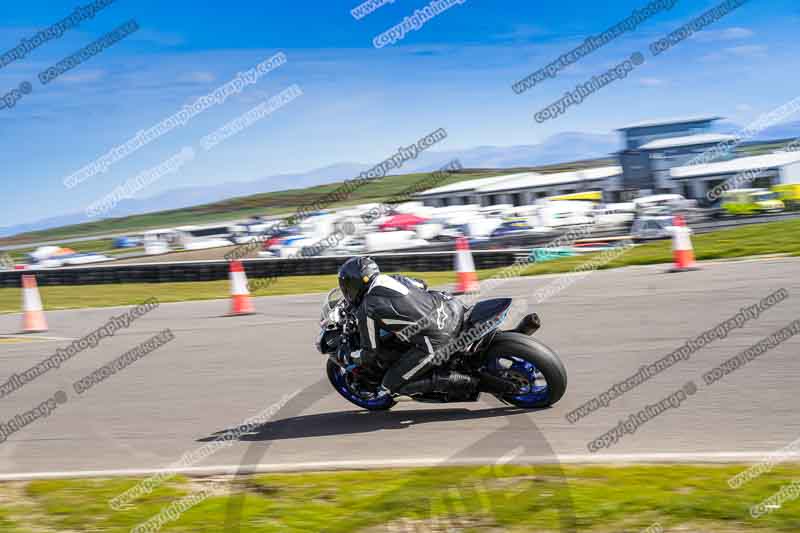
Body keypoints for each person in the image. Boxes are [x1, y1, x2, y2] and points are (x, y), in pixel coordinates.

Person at [337, 256, 475, 398]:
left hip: (438, 337)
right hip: (452, 307)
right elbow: (422, 285)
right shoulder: (392, 279)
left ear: (355, 284)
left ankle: (466, 384)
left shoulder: (366, 309)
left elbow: (369, 353)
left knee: (391, 385)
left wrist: (350, 357)